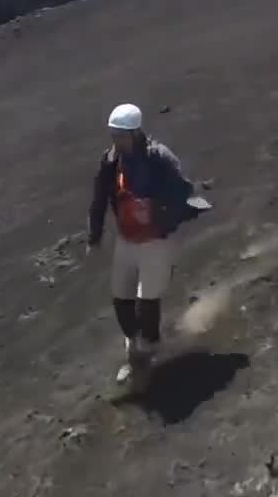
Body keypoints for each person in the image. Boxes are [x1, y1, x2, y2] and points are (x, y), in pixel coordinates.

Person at [87, 103, 202, 379]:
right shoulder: (111, 161)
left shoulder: (159, 158)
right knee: (121, 300)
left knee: (147, 301)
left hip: (155, 240)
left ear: (135, 133)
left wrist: (161, 210)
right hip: (127, 239)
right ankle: (136, 345)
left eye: (121, 136)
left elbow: (183, 189)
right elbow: (99, 198)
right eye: (113, 135)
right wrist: (94, 235)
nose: (116, 141)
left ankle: (150, 350)